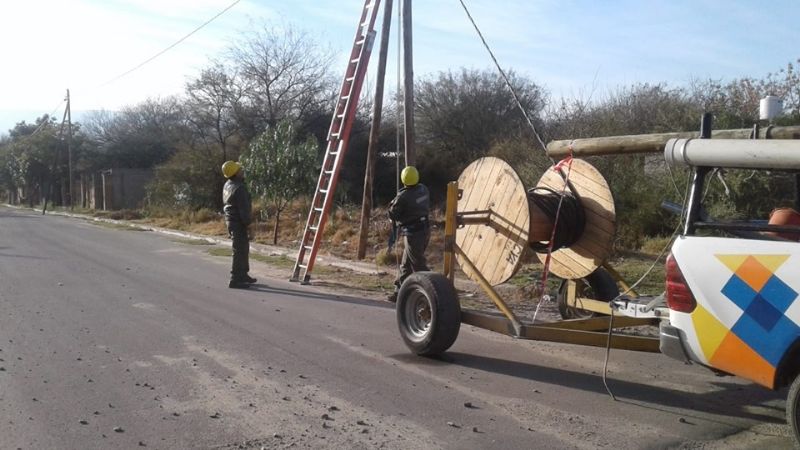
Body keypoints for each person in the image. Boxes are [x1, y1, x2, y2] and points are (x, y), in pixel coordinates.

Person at [387, 166, 430, 302]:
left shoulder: (403, 196)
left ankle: (434, 291)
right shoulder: (423, 189)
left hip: (413, 233)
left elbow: (393, 213)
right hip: (425, 230)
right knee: (406, 264)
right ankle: (399, 291)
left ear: (403, 180)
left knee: (418, 264)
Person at [221, 161, 257, 289]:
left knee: (243, 248)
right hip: (238, 222)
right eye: (239, 169)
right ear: (236, 173)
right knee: (239, 250)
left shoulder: (228, 184)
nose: (242, 170)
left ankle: (243, 274)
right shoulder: (239, 188)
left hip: (231, 220)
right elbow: (244, 210)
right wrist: (249, 226)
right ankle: (235, 278)